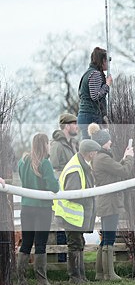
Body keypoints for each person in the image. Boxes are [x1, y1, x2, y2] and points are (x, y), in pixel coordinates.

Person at [88, 123, 134, 281]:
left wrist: (123, 158)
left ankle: (100, 273)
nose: (111, 143)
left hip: (106, 201)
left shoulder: (101, 158)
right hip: (110, 202)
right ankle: (109, 273)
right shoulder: (103, 158)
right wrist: (129, 158)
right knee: (109, 237)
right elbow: (124, 171)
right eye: (108, 141)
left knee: (106, 237)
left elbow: (114, 171)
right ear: (102, 143)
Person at [15, 133, 61, 285]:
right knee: (40, 244)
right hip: (42, 209)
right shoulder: (45, 163)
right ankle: (42, 281)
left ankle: (21, 280)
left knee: (26, 243)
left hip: (26, 207)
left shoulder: (23, 161)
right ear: (45, 144)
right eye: (48, 143)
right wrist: (56, 182)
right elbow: (53, 187)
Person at [53, 139, 101, 284]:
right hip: (71, 216)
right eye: (96, 152)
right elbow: (72, 194)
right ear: (91, 153)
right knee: (75, 244)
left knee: (78, 243)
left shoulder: (80, 164)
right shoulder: (75, 169)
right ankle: (75, 277)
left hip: (75, 216)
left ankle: (80, 277)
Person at [50, 112, 80, 263]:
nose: (77, 126)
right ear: (67, 126)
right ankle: (61, 262)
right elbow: (54, 169)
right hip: (62, 192)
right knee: (61, 227)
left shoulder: (74, 144)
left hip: (73, 191)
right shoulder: (56, 145)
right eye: (74, 123)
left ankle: (69, 262)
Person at [77, 47, 112, 138]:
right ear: (103, 60)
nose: (108, 63)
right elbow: (95, 96)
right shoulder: (95, 74)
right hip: (90, 117)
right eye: (107, 60)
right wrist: (107, 85)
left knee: (89, 145)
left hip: (85, 116)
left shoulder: (89, 73)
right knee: (92, 147)